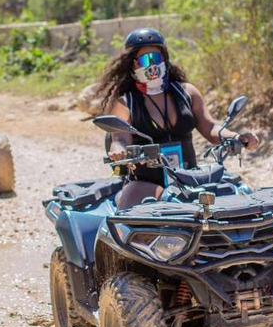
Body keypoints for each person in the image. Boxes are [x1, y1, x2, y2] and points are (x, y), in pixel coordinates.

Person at [99, 28, 260, 209]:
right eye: (145, 60)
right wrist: (118, 151)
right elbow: (120, 138)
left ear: (165, 59)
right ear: (133, 65)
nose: (152, 65)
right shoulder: (126, 103)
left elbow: (210, 127)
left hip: (191, 180)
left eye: (157, 58)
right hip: (148, 184)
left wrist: (237, 137)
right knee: (128, 222)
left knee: (240, 198)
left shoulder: (187, 92)